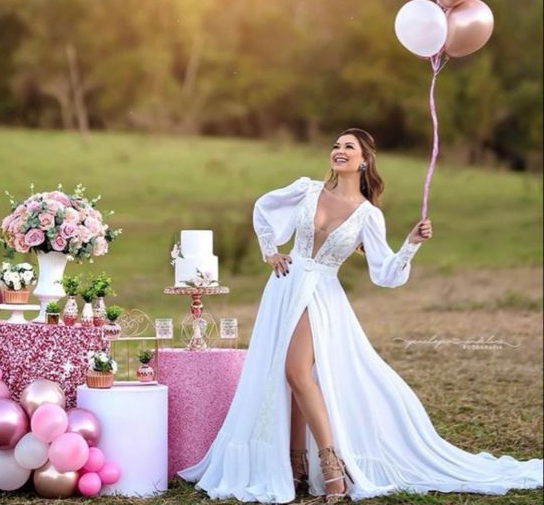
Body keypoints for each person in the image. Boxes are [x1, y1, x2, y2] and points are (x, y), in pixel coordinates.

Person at [177, 128, 544, 501]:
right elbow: (263, 207)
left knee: (296, 371)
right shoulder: (307, 189)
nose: (338, 151)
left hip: (321, 295)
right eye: (336, 145)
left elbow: (385, 272)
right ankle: (295, 466)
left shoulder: (368, 215)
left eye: (348, 147)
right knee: (287, 376)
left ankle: (332, 464)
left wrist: (410, 245)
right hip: (285, 287)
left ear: (364, 160)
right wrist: (270, 251)